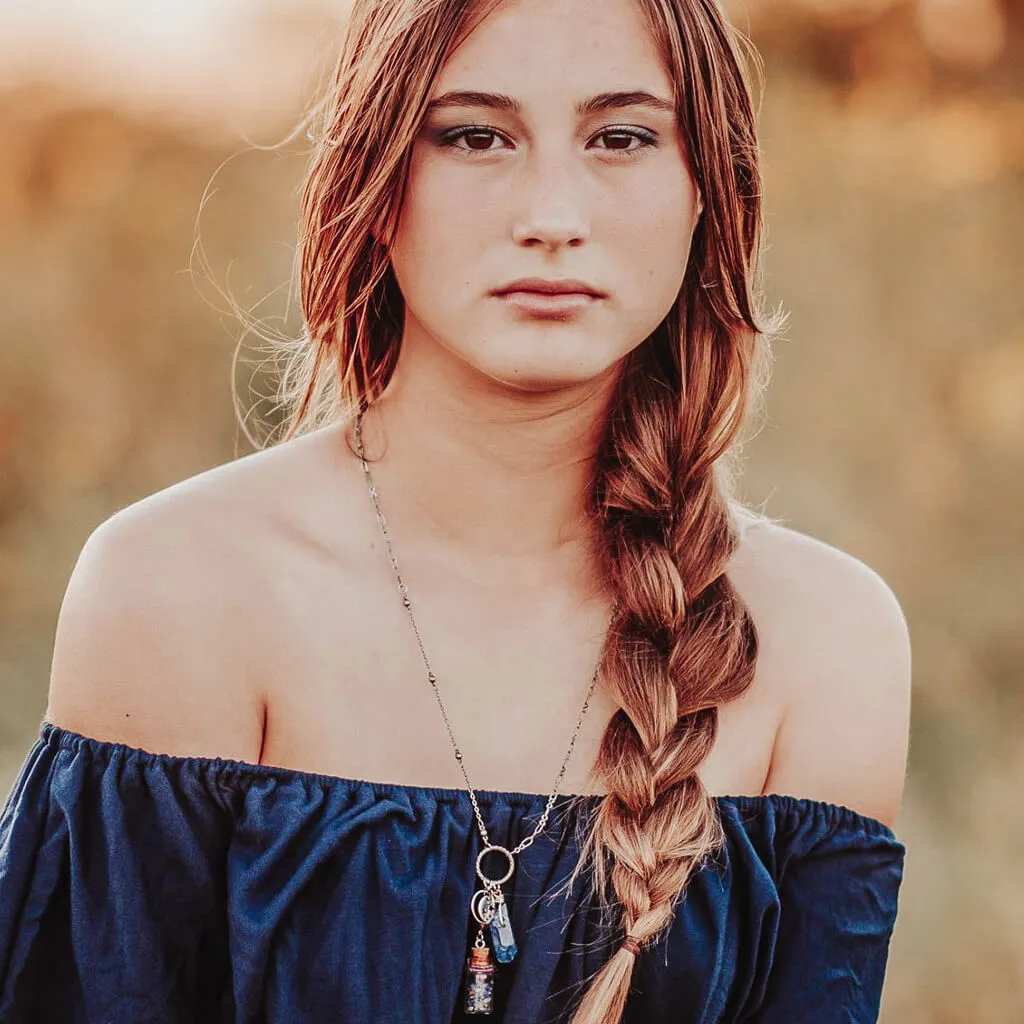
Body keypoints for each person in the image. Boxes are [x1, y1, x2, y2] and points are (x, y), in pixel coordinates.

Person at [0, 0, 911, 1021]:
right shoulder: (178, 591)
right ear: (376, 179)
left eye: (620, 136)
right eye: (475, 135)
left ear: (708, 188)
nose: (552, 214)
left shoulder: (826, 646)